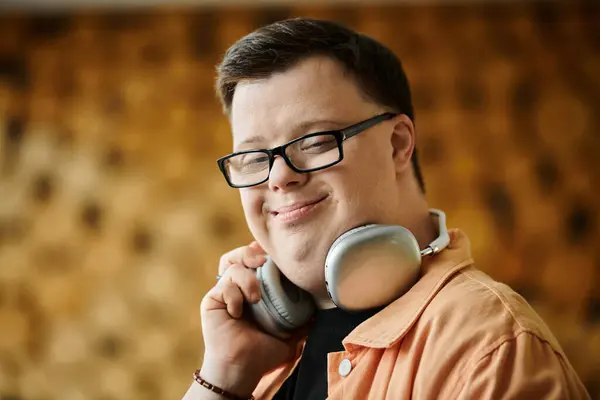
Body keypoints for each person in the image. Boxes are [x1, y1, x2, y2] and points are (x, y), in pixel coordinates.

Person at [182, 17, 590, 400]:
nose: (278, 177)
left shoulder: (490, 348)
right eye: (254, 157)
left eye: (315, 141)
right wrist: (224, 374)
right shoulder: (255, 355)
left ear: (397, 144)